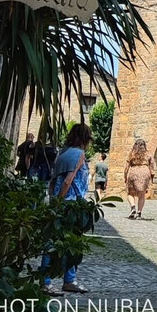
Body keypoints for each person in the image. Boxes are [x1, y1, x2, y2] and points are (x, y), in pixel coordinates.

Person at [42, 123, 93, 294]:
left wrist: (54, 200)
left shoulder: (62, 154)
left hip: (58, 201)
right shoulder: (79, 154)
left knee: (52, 242)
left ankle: (46, 281)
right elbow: (67, 181)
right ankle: (68, 280)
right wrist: (60, 202)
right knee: (72, 244)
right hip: (70, 205)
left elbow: (53, 180)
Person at [124, 140, 157, 219]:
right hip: (145, 172)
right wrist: (151, 177)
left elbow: (126, 167)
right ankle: (139, 213)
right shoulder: (148, 154)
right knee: (142, 194)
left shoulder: (131, 153)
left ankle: (133, 207)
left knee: (130, 193)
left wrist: (125, 177)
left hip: (134, 171)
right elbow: (152, 166)